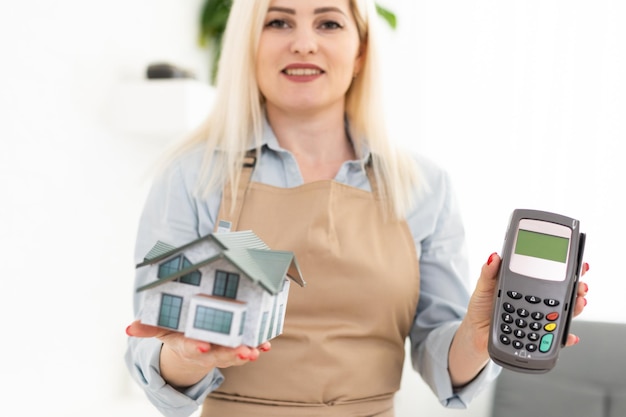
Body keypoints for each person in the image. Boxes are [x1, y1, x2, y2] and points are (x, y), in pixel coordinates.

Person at [124, 1, 591, 416]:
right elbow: (155, 362)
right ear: (249, 43)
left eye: (328, 22)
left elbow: (440, 360)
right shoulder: (192, 175)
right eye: (279, 21)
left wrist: (475, 334)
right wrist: (189, 354)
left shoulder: (426, 187)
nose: (303, 43)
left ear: (361, 50)